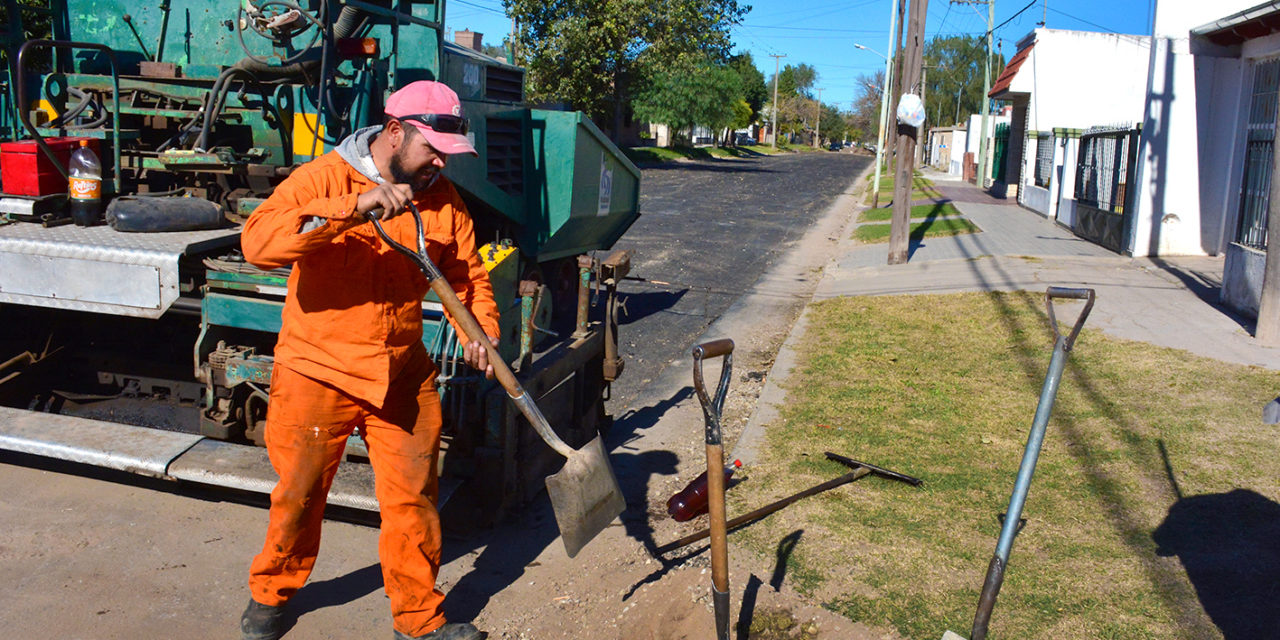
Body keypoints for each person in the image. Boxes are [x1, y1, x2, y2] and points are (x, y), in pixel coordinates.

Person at [237, 80, 499, 640]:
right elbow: (259, 245)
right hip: (317, 370)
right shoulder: (321, 179)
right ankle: (272, 593)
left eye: (446, 155)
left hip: (401, 373)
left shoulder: (440, 199)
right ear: (396, 132)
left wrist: (482, 333)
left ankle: (419, 620)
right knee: (300, 496)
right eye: (431, 151)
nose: (437, 165)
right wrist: (354, 207)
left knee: (413, 502)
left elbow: (467, 276)